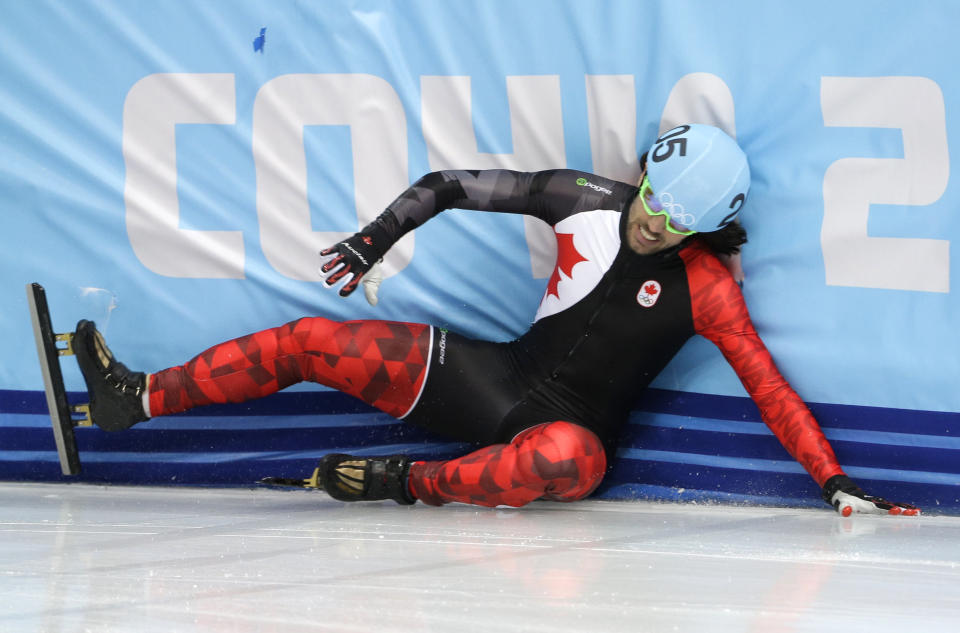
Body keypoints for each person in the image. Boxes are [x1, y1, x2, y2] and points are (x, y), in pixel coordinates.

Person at [72, 124, 918, 516]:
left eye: (675, 222)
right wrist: (376, 239)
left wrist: (831, 478)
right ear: (646, 176)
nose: (652, 223)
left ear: (705, 228)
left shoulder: (710, 289)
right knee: (309, 341)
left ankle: (409, 483)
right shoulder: (583, 198)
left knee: (562, 453)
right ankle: (133, 398)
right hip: (494, 381)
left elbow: (770, 389)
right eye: (654, 201)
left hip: (572, 443)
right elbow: (447, 186)